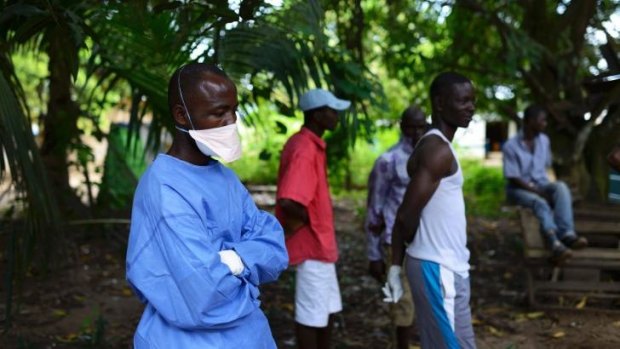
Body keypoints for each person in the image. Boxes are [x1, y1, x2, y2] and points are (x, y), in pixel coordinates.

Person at [125, 63, 289, 349]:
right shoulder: (165, 188)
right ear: (182, 115)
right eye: (218, 112)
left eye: (233, 110)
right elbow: (205, 295)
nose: (231, 122)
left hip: (252, 337)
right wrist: (250, 267)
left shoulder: (225, 178)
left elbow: (275, 247)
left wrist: (234, 260)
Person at [386, 72, 477, 348]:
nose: (470, 107)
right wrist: (395, 266)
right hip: (438, 267)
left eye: (472, 101)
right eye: (462, 101)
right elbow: (405, 215)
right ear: (440, 103)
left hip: (442, 266)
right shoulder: (437, 150)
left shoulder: (436, 145)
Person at [275, 88, 350, 349]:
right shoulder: (304, 148)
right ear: (317, 115)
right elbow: (289, 199)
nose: (336, 115)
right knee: (311, 315)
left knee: (326, 310)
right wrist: (312, 221)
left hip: (320, 246)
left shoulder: (310, 144)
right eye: (332, 110)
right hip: (311, 246)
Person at [365, 105, 428, 349]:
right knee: (402, 303)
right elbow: (374, 210)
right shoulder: (388, 161)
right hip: (396, 242)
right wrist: (373, 254)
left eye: (421, 126)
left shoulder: (431, 158)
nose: (416, 132)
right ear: (402, 126)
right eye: (411, 126)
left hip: (426, 239)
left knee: (426, 299)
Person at [502, 105, 588, 264]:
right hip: (518, 189)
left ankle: (567, 234)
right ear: (529, 122)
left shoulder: (544, 140)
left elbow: (546, 168)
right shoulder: (510, 146)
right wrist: (536, 191)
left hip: (540, 184)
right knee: (540, 203)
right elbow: (513, 177)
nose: (545, 124)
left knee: (561, 187)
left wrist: (549, 188)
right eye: (542, 120)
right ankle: (554, 242)